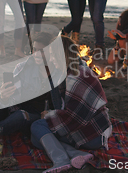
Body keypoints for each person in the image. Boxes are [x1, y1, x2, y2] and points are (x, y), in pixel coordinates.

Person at [30, 36, 112, 173]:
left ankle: (60, 160)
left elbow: (74, 117)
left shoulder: (77, 76)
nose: (50, 59)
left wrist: (50, 115)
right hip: (88, 128)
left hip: (93, 134)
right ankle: (76, 154)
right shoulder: (69, 72)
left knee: (37, 127)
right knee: (35, 138)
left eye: (52, 55)